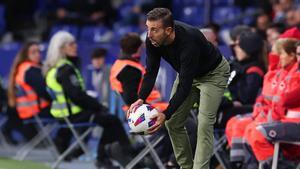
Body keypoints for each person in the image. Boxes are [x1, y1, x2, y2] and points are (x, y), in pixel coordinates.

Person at [128, 8, 230, 169]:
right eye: (148, 28)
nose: (149, 34)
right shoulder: (153, 40)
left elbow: (185, 85)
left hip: (213, 74)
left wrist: (166, 113)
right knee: (173, 123)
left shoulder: (189, 41)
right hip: (188, 74)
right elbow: (151, 71)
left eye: (154, 29)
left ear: (168, 30)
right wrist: (141, 98)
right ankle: (185, 167)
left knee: (204, 124)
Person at [43, 31, 132, 168]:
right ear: (61, 48)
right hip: (73, 114)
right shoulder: (66, 69)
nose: (75, 46)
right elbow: (77, 96)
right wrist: (98, 106)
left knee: (107, 119)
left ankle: (107, 155)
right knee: (112, 120)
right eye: (71, 44)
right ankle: (123, 153)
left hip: (65, 115)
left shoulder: (54, 68)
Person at [6, 42, 51, 142]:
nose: (37, 55)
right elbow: (43, 92)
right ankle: (62, 143)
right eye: (33, 52)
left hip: (25, 111)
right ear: (26, 55)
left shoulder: (21, 68)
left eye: (39, 51)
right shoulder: (30, 70)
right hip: (36, 110)